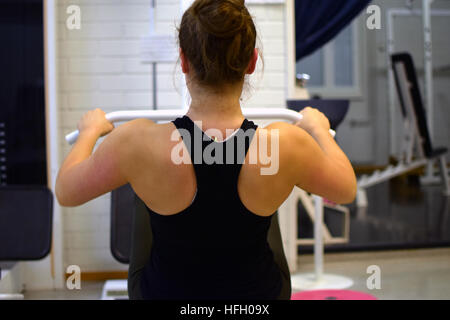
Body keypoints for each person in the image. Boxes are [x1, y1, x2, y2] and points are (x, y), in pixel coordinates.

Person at [55, 0, 357, 300]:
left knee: (144, 177)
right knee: (271, 172)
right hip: (259, 300)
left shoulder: (136, 140)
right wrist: (319, 130)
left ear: (184, 61)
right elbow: (345, 190)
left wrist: (89, 132)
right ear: (252, 62)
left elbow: (66, 191)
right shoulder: (286, 142)